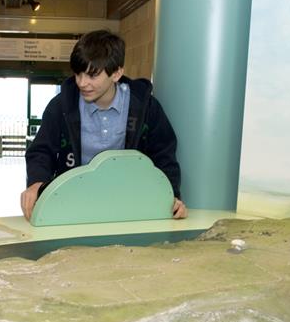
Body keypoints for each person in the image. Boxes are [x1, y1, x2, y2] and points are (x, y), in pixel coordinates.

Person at [21, 30, 188, 221]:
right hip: (72, 204)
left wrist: (171, 196)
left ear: (116, 73)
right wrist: (36, 183)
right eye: (78, 74)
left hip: (131, 206)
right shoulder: (61, 106)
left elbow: (164, 156)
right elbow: (41, 151)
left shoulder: (146, 107)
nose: (82, 83)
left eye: (92, 75)